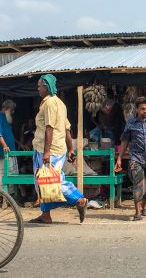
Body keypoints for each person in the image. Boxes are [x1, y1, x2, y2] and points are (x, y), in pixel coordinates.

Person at [29, 74, 88, 224]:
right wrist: (70, 149)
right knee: (43, 181)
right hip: (56, 148)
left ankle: (79, 199)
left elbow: (50, 128)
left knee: (54, 181)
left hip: (49, 149)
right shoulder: (60, 104)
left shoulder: (49, 103)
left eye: (39, 86)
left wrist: (47, 152)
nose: (38, 88)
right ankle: (45, 214)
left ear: (46, 87)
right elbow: (67, 129)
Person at [0, 100, 18, 193]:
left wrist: (20, 144)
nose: (13, 112)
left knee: (13, 175)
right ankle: (4, 200)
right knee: (4, 175)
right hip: (4, 154)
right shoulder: (0, 117)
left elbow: (9, 134)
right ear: (6, 108)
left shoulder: (7, 118)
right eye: (12, 110)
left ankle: (12, 199)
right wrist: (5, 146)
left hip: (12, 152)